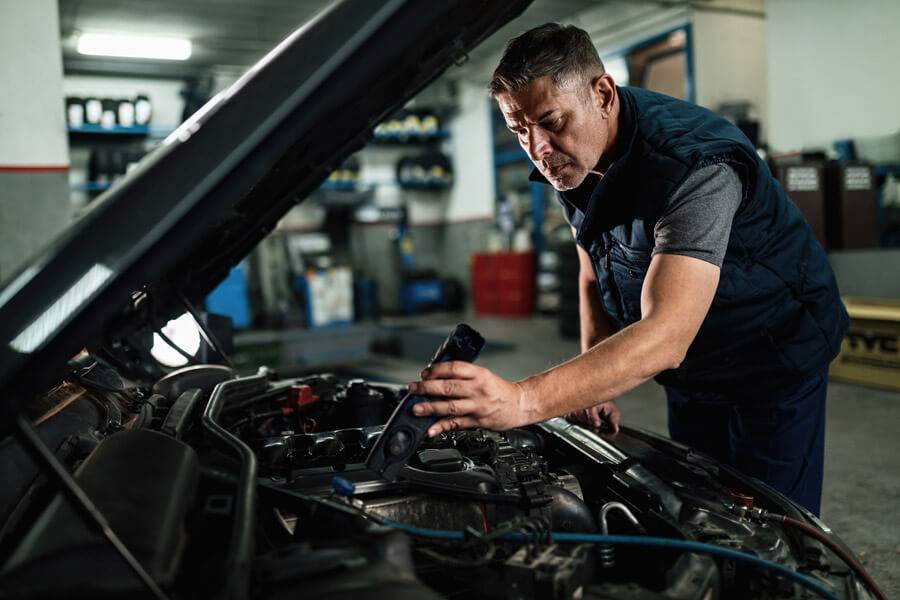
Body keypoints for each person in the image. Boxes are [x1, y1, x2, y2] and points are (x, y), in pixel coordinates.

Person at [407, 23, 848, 516]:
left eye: (550, 121)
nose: (538, 148)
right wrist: (591, 369)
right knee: (701, 503)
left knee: (773, 520)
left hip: (774, 353)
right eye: (519, 130)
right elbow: (592, 268)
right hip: (695, 368)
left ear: (602, 93)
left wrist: (524, 401)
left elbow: (667, 334)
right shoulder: (573, 154)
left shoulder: (694, 167)